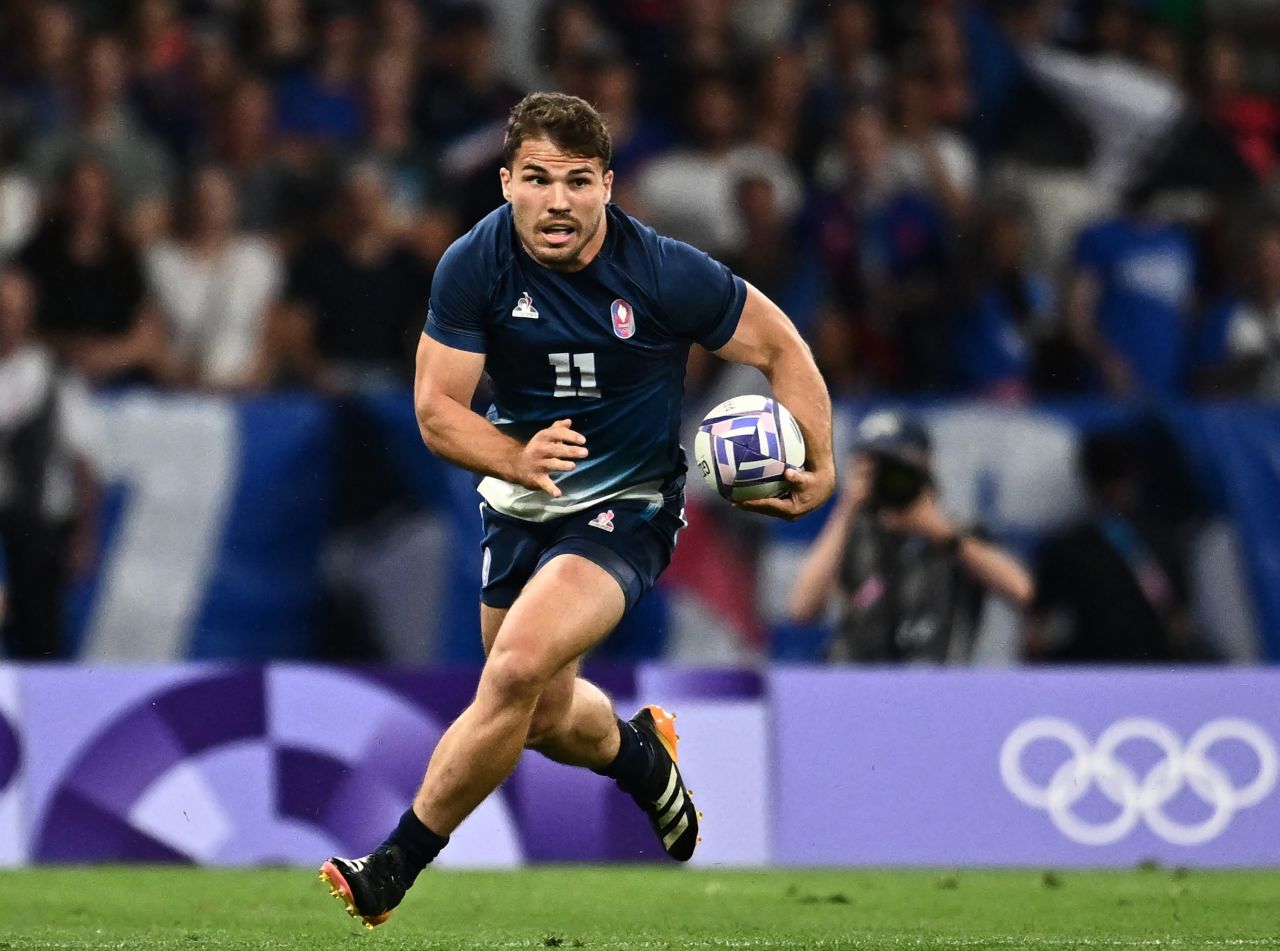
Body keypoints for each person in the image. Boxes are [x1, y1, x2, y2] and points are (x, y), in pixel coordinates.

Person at [320, 92, 835, 926]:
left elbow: (780, 345)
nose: (556, 200)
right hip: (519, 500)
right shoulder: (473, 264)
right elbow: (435, 410)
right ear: (505, 182)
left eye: (577, 180)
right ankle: (640, 756)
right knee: (544, 710)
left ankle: (392, 865)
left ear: (607, 185)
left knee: (515, 668)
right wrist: (514, 457)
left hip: (627, 505)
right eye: (536, 179)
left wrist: (825, 457)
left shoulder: (662, 269)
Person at [788, 411, 1032, 663]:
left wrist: (939, 531)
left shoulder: (958, 535)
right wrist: (847, 508)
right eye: (874, 467)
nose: (888, 478)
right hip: (860, 685)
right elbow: (802, 609)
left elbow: (1022, 590)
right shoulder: (852, 533)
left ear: (926, 464)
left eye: (897, 466)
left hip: (935, 687)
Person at [1023, 429, 1198, 663]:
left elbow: (1036, 630)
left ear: (1086, 480)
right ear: (1133, 479)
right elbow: (1179, 623)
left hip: (1094, 669)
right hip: (1150, 668)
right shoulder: (1161, 537)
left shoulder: (1067, 545)